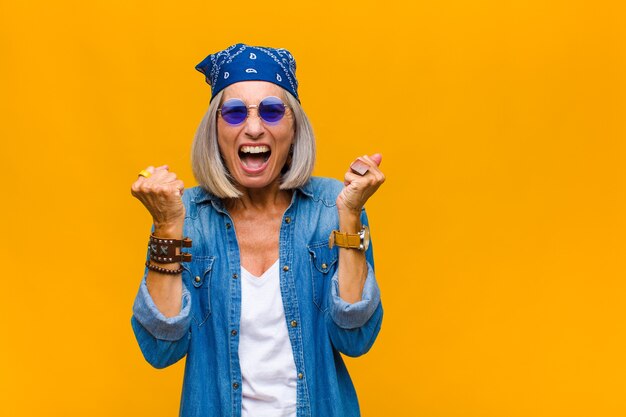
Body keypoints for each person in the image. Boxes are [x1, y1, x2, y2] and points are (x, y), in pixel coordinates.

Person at [130, 43, 385, 417]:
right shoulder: (186, 215)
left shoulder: (334, 206)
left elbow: (356, 337)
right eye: (234, 113)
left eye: (271, 110)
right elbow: (160, 349)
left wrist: (349, 217)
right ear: (215, 131)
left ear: (294, 127)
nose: (252, 128)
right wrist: (167, 227)